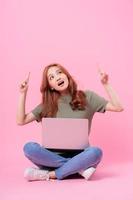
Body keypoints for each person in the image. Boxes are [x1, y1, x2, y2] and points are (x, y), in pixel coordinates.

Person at [16, 63, 123, 181]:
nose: (57, 77)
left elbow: (118, 107)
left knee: (96, 152)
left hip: (81, 156)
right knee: (29, 148)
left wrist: (106, 84)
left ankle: (50, 174)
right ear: (51, 86)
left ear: (66, 76)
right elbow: (21, 120)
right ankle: (78, 169)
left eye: (59, 73)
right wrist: (22, 93)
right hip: (52, 157)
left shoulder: (88, 96)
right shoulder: (47, 105)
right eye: (51, 77)